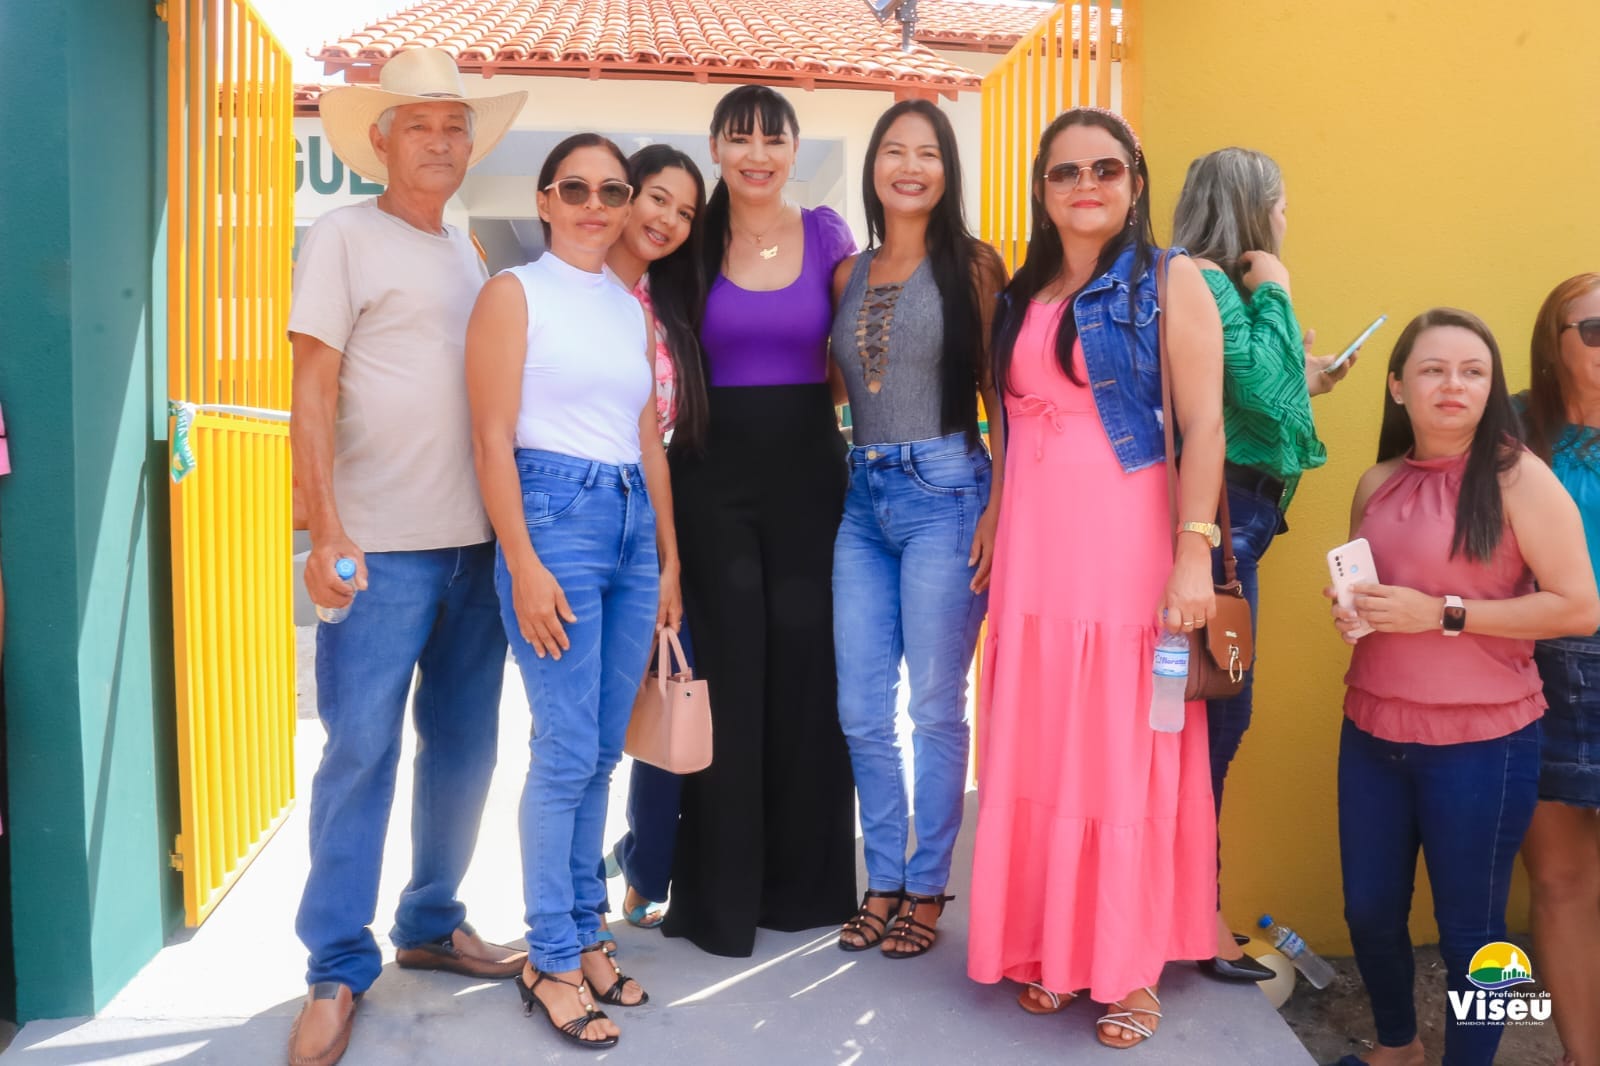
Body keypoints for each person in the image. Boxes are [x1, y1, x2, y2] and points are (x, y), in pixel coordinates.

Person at [285, 48, 529, 1066]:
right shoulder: (343, 235)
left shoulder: (468, 251)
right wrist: (324, 528)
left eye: (454, 124)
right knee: (359, 755)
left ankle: (431, 921)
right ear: (380, 140)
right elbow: (310, 389)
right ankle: (336, 965)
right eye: (419, 123)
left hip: (476, 549)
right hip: (379, 551)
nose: (439, 139)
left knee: (464, 752)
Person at [966, 106, 1226, 1050]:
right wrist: (995, 513)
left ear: (1136, 183)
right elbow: (1008, 424)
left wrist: (1193, 552)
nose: (1087, 185)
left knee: (1121, 753)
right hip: (1036, 560)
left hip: (1126, 556)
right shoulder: (1021, 292)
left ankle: (1129, 965)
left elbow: (1205, 424)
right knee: (1042, 747)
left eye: (1106, 169)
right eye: (1066, 171)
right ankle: (1052, 944)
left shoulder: (1170, 280)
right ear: (1042, 189)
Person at [1327, 308, 1599, 1066]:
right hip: (1373, 730)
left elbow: (1579, 606)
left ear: (1491, 388)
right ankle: (1398, 1048)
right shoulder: (1377, 482)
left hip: (1485, 742)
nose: (1454, 385)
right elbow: (1375, 595)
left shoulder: (1520, 477)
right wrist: (1356, 614)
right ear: (1397, 386)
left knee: (1473, 932)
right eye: (1434, 370)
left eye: (1474, 372)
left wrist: (1441, 613)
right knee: (1369, 912)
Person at [467, 132, 681, 1050]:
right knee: (563, 751)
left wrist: (670, 559)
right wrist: (521, 561)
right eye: (577, 188)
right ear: (546, 200)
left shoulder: (630, 309)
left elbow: (646, 441)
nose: (597, 205)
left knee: (600, 753)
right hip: (554, 519)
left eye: (613, 190)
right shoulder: (514, 294)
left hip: (633, 530)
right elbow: (490, 439)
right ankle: (550, 957)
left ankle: (587, 933)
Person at [661, 84, 859, 959]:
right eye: (739, 138)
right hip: (713, 479)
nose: (756, 154)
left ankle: (807, 889)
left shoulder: (827, 235)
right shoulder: (691, 239)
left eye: (773, 139)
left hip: (811, 474)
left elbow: (850, 358)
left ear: (794, 149)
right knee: (729, 678)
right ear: (714, 147)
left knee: (811, 674)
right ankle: (720, 897)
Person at [1170, 146, 1356, 981]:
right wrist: (1276, 285)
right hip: (1224, 522)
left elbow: (1266, 395)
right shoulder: (1212, 280)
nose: (1285, 218)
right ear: (1249, 208)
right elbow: (1258, 390)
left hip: (1240, 519)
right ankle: (1193, 914)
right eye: (1277, 203)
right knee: (1215, 711)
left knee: (1213, 711)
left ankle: (1190, 907)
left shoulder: (1213, 288)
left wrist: (1304, 376)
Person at [828, 100, 1006, 959]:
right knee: (862, 708)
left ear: (947, 169)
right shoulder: (847, 273)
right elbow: (840, 383)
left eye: (927, 153)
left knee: (935, 707)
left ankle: (927, 887)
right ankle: (883, 878)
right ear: (873, 167)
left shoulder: (973, 265)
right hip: (862, 498)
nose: (909, 166)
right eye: (893, 151)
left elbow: (1001, 392)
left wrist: (1002, 506)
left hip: (948, 490)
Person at [596, 144, 709, 934]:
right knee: (588, 724)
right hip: (581, 523)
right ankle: (579, 898)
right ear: (625, 194)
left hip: (663, 517)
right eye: (657, 198)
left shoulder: (668, 305)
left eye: (685, 211)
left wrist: (670, 559)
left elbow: (657, 442)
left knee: (670, 691)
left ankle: (645, 867)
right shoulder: (573, 290)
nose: (667, 219)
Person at [1518, 274, 1600, 1066]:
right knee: (1562, 879)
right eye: (1597, 330)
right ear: (1556, 343)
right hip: (1538, 665)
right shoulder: (1513, 430)